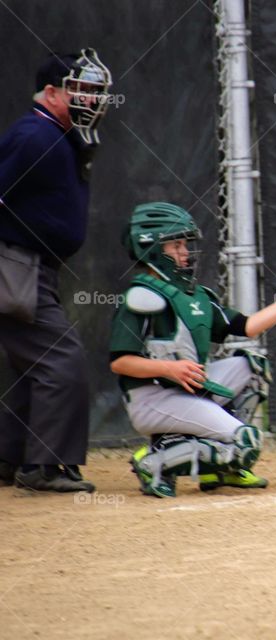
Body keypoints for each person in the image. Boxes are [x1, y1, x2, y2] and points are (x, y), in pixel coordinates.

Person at [110, 202, 276, 498]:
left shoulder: (197, 296)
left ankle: (220, 469)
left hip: (185, 389)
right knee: (246, 443)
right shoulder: (141, 297)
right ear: (151, 249)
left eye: (184, 244)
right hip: (151, 398)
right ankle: (155, 462)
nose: (184, 252)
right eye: (174, 245)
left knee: (252, 366)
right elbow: (120, 363)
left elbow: (249, 326)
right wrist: (168, 368)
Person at [0, 49, 112, 492]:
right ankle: (45, 467)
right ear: (50, 93)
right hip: (13, 266)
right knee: (60, 360)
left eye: (97, 92)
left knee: (28, 365)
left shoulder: (61, 138)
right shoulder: (36, 135)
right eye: (81, 90)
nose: (92, 100)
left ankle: (9, 458)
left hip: (31, 267)